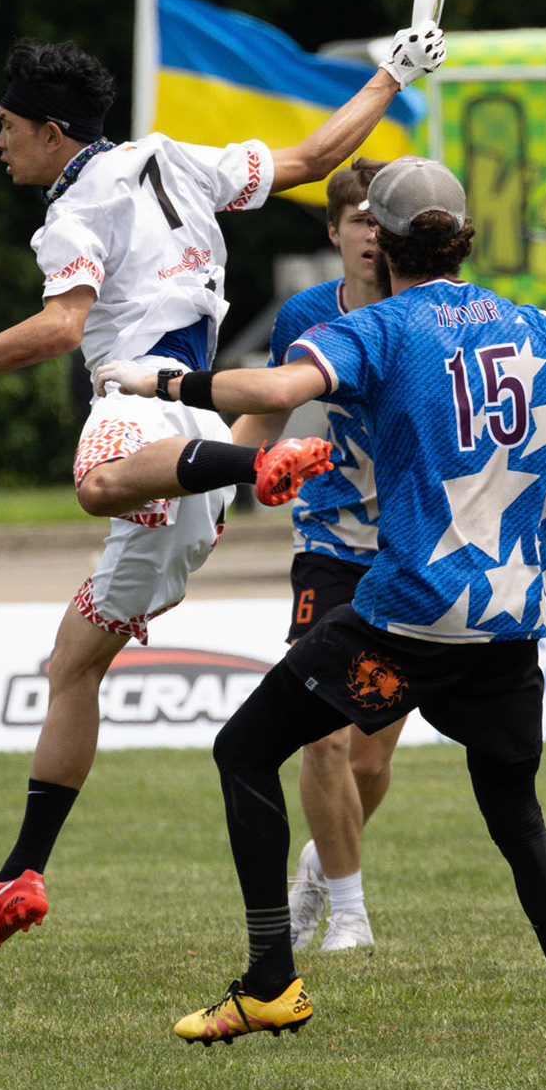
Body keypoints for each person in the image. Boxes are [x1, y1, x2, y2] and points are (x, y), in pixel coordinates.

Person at [94, 157, 546, 1050]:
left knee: (243, 749)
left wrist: (160, 383)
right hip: (510, 623)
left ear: (386, 244)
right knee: (517, 818)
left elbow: (274, 393)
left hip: (408, 616)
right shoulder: (532, 324)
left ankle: (270, 983)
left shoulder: (382, 326)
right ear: (463, 238)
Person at [0, 21, 447, 952]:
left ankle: (260, 464)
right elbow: (313, 159)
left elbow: (62, 329)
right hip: (197, 447)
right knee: (72, 663)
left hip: (145, 409)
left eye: (7, 125)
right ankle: (20, 875)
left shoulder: (71, 213)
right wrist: (391, 76)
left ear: (52, 132)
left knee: (95, 483)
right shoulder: (178, 157)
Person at [228, 157, 400, 955]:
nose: (373, 235)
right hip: (329, 544)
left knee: (367, 762)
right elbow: (265, 412)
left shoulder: (430, 311)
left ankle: (316, 869)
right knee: (321, 737)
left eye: (385, 221)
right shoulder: (305, 315)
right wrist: (210, 485)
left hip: (413, 552)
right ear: (333, 230)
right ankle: (351, 915)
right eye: (359, 220)